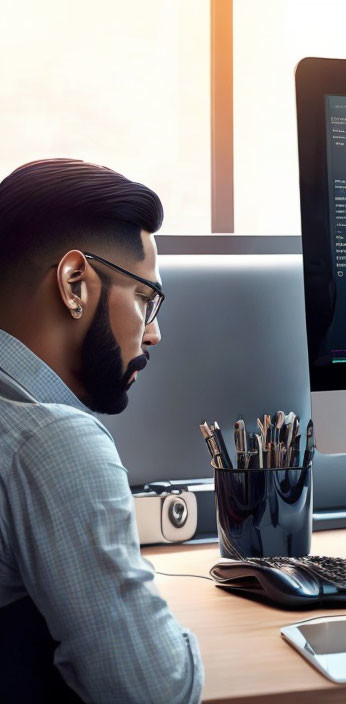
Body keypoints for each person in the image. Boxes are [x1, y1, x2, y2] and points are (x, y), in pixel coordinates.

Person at [0, 159, 203, 702]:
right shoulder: (51, 442)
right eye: (144, 299)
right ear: (74, 284)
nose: (153, 333)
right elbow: (155, 691)